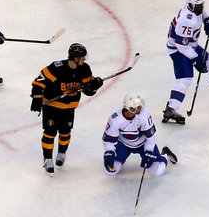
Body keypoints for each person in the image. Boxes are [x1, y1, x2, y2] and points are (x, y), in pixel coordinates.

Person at [30, 43, 103, 175]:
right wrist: (36, 98)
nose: (84, 59)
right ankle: (47, 158)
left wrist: (94, 86)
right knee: (50, 133)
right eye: (82, 57)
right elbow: (38, 82)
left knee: (65, 132)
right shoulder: (56, 68)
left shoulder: (85, 70)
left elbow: (87, 90)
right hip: (52, 107)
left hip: (69, 108)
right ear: (74, 58)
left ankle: (61, 154)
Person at [103, 93, 178, 176]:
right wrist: (109, 152)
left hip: (143, 144)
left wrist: (149, 151)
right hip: (123, 144)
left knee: (157, 171)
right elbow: (109, 139)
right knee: (110, 171)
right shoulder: (115, 119)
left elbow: (150, 137)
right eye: (138, 106)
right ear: (130, 108)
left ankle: (165, 155)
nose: (141, 108)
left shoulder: (144, 115)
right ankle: (120, 158)